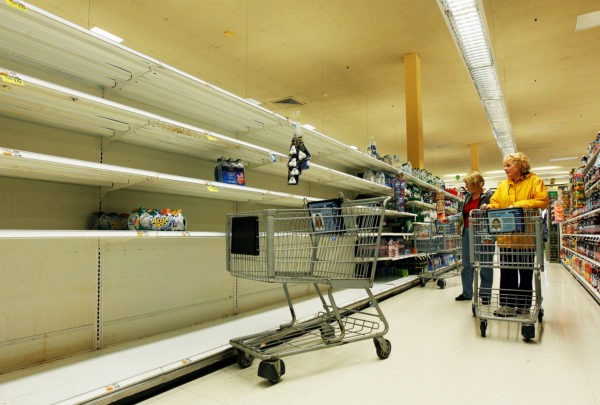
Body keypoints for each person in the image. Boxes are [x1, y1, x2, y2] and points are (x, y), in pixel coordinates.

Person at [481, 152, 548, 317]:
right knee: (507, 272)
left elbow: (542, 201)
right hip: (506, 238)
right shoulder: (503, 185)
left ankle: (524, 306)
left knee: (525, 273)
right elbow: (496, 202)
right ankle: (507, 305)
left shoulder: (534, 181)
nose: (505, 169)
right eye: (504, 166)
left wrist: (519, 205)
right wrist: (490, 207)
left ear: (520, 165)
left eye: (508, 165)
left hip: (526, 238)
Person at [441, 171, 493, 303]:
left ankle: (485, 294)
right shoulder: (468, 197)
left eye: (468, 183)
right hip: (467, 232)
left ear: (476, 184)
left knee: (486, 264)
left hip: (483, 233)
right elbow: (463, 214)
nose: (466, 186)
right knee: (467, 264)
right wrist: (449, 219)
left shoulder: (488, 196)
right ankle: (467, 292)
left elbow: (494, 213)